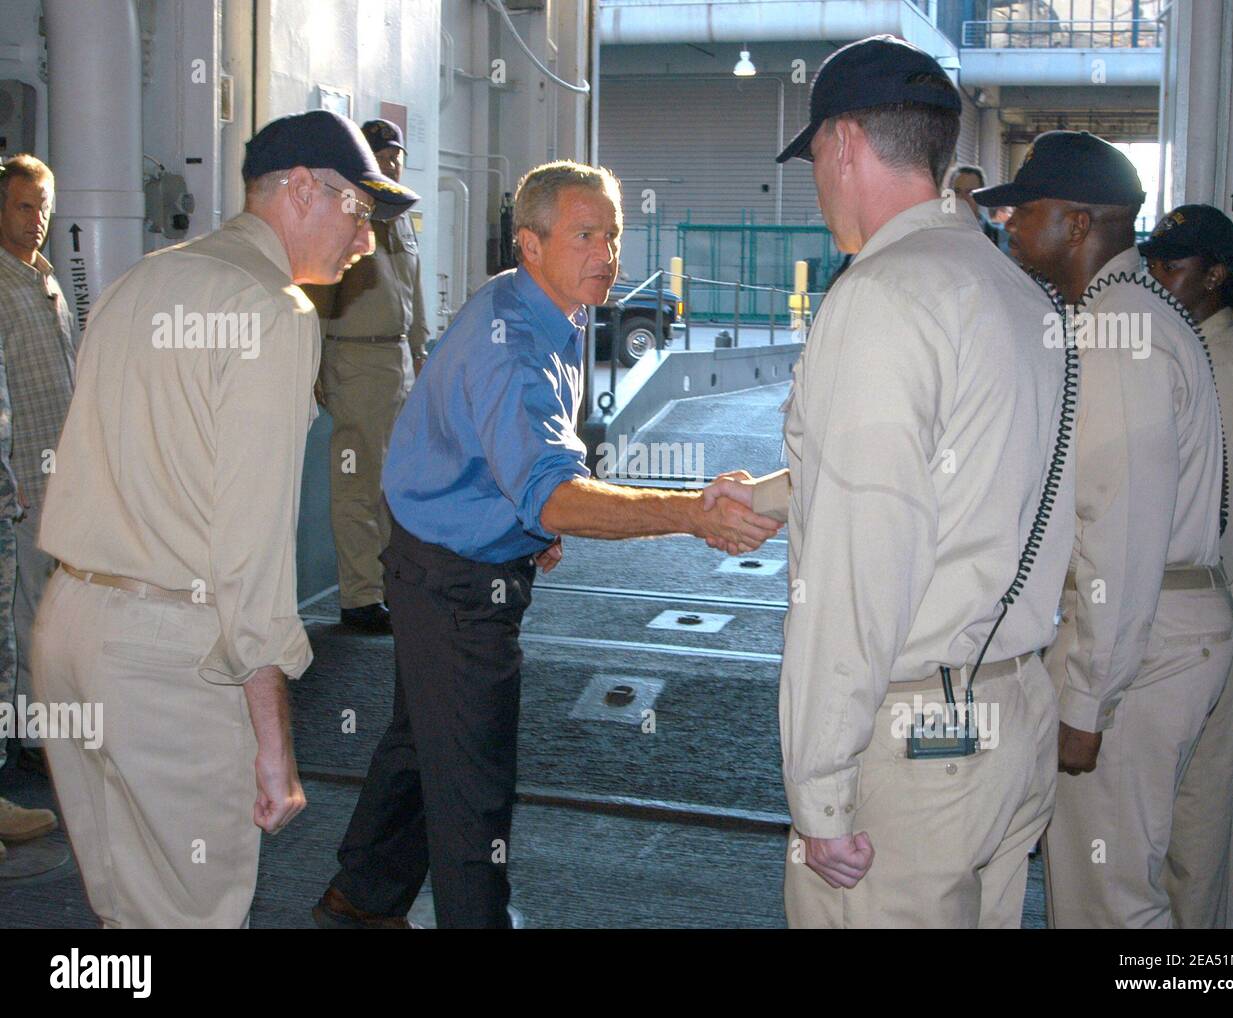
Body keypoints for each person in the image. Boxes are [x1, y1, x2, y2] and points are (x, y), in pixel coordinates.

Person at [314, 159, 781, 930]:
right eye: (585, 235)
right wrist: (693, 515)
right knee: (472, 781)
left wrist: (529, 524)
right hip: (454, 580)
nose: (607, 255)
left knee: (423, 740)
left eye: (613, 235)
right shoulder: (514, 343)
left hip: (446, 549)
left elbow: (514, 461)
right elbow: (554, 490)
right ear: (530, 244)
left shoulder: (540, 306)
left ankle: (358, 900)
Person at [32, 110, 418, 928]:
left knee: (124, 911)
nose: (367, 241)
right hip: (165, 654)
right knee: (190, 912)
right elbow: (250, 548)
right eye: (360, 212)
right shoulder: (274, 311)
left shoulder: (141, 281)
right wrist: (273, 743)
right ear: (303, 190)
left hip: (68, 627)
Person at [760, 36, 1075, 929]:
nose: (817, 184)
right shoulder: (1017, 292)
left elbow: (862, 564)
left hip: (914, 745)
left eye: (814, 158)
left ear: (844, 143)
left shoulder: (880, 297)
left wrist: (820, 789)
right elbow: (968, 477)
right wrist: (774, 494)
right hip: (1012, 714)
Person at [977, 133, 1233, 928]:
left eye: (1027, 208)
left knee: (1108, 901)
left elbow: (1119, 536)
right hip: (1152, 630)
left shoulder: (1120, 332)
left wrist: (1087, 700)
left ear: (1079, 223)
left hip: (1139, 644)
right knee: (1113, 885)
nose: (1012, 223)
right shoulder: (1121, 315)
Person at [1142, 205, 1233, 928]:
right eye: (1153, 264)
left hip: (1221, 579)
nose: (1157, 279)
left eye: (1173, 267)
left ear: (1216, 275)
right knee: (1188, 784)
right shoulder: (1197, 346)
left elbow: (1217, 507)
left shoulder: (1222, 364)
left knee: (1196, 786)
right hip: (1210, 580)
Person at [305, 118, 430, 633]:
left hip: (398, 359)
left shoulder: (398, 218)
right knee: (357, 482)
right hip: (355, 360)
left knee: (393, 483)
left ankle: (387, 586)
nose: (391, 164)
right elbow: (318, 295)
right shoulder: (347, 217)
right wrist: (314, 363)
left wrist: (420, 352)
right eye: (380, 157)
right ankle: (359, 598)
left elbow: (413, 293)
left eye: (395, 156)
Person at [0, 155, 77, 781]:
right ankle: (30, 735)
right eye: (25, 206)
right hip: (20, 478)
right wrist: (11, 480)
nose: (37, 220)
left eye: (44, 208)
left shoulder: (46, 280)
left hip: (60, 478)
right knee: (26, 610)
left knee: (55, 608)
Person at [945, 163, 1002, 245]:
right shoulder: (936, 234)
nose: (962, 198)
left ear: (982, 196)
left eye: (970, 192)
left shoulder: (1000, 238)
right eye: (957, 191)